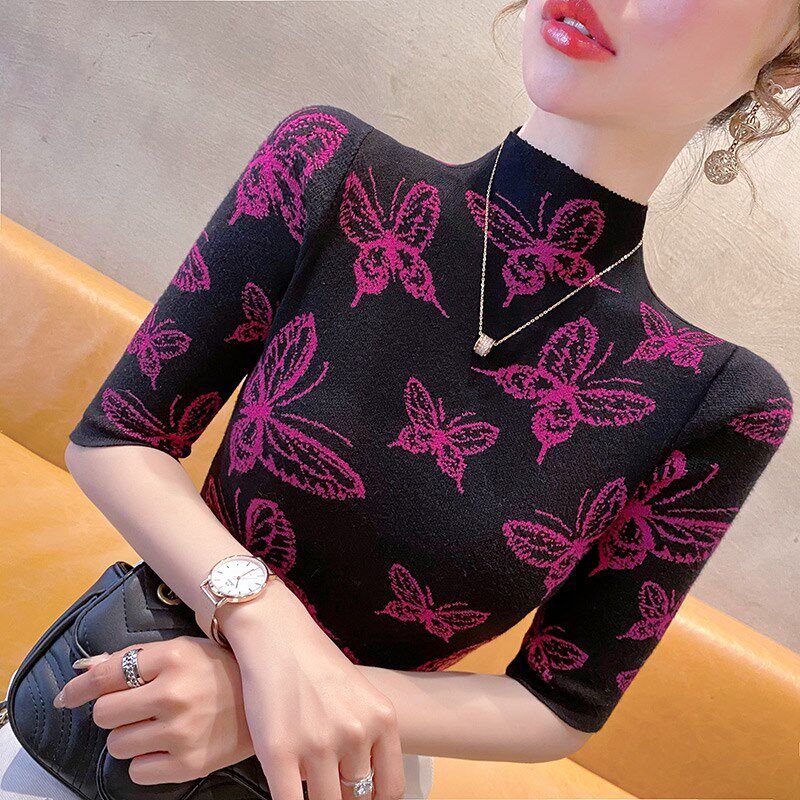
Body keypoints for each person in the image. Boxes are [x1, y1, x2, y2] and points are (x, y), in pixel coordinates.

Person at [3, 1, 798, 799]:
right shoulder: (332, 170)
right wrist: (265, 630)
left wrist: (261, 701)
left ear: (779, 61)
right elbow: (118, 437)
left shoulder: (718, 402)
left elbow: (563, 702)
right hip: (119, 719)